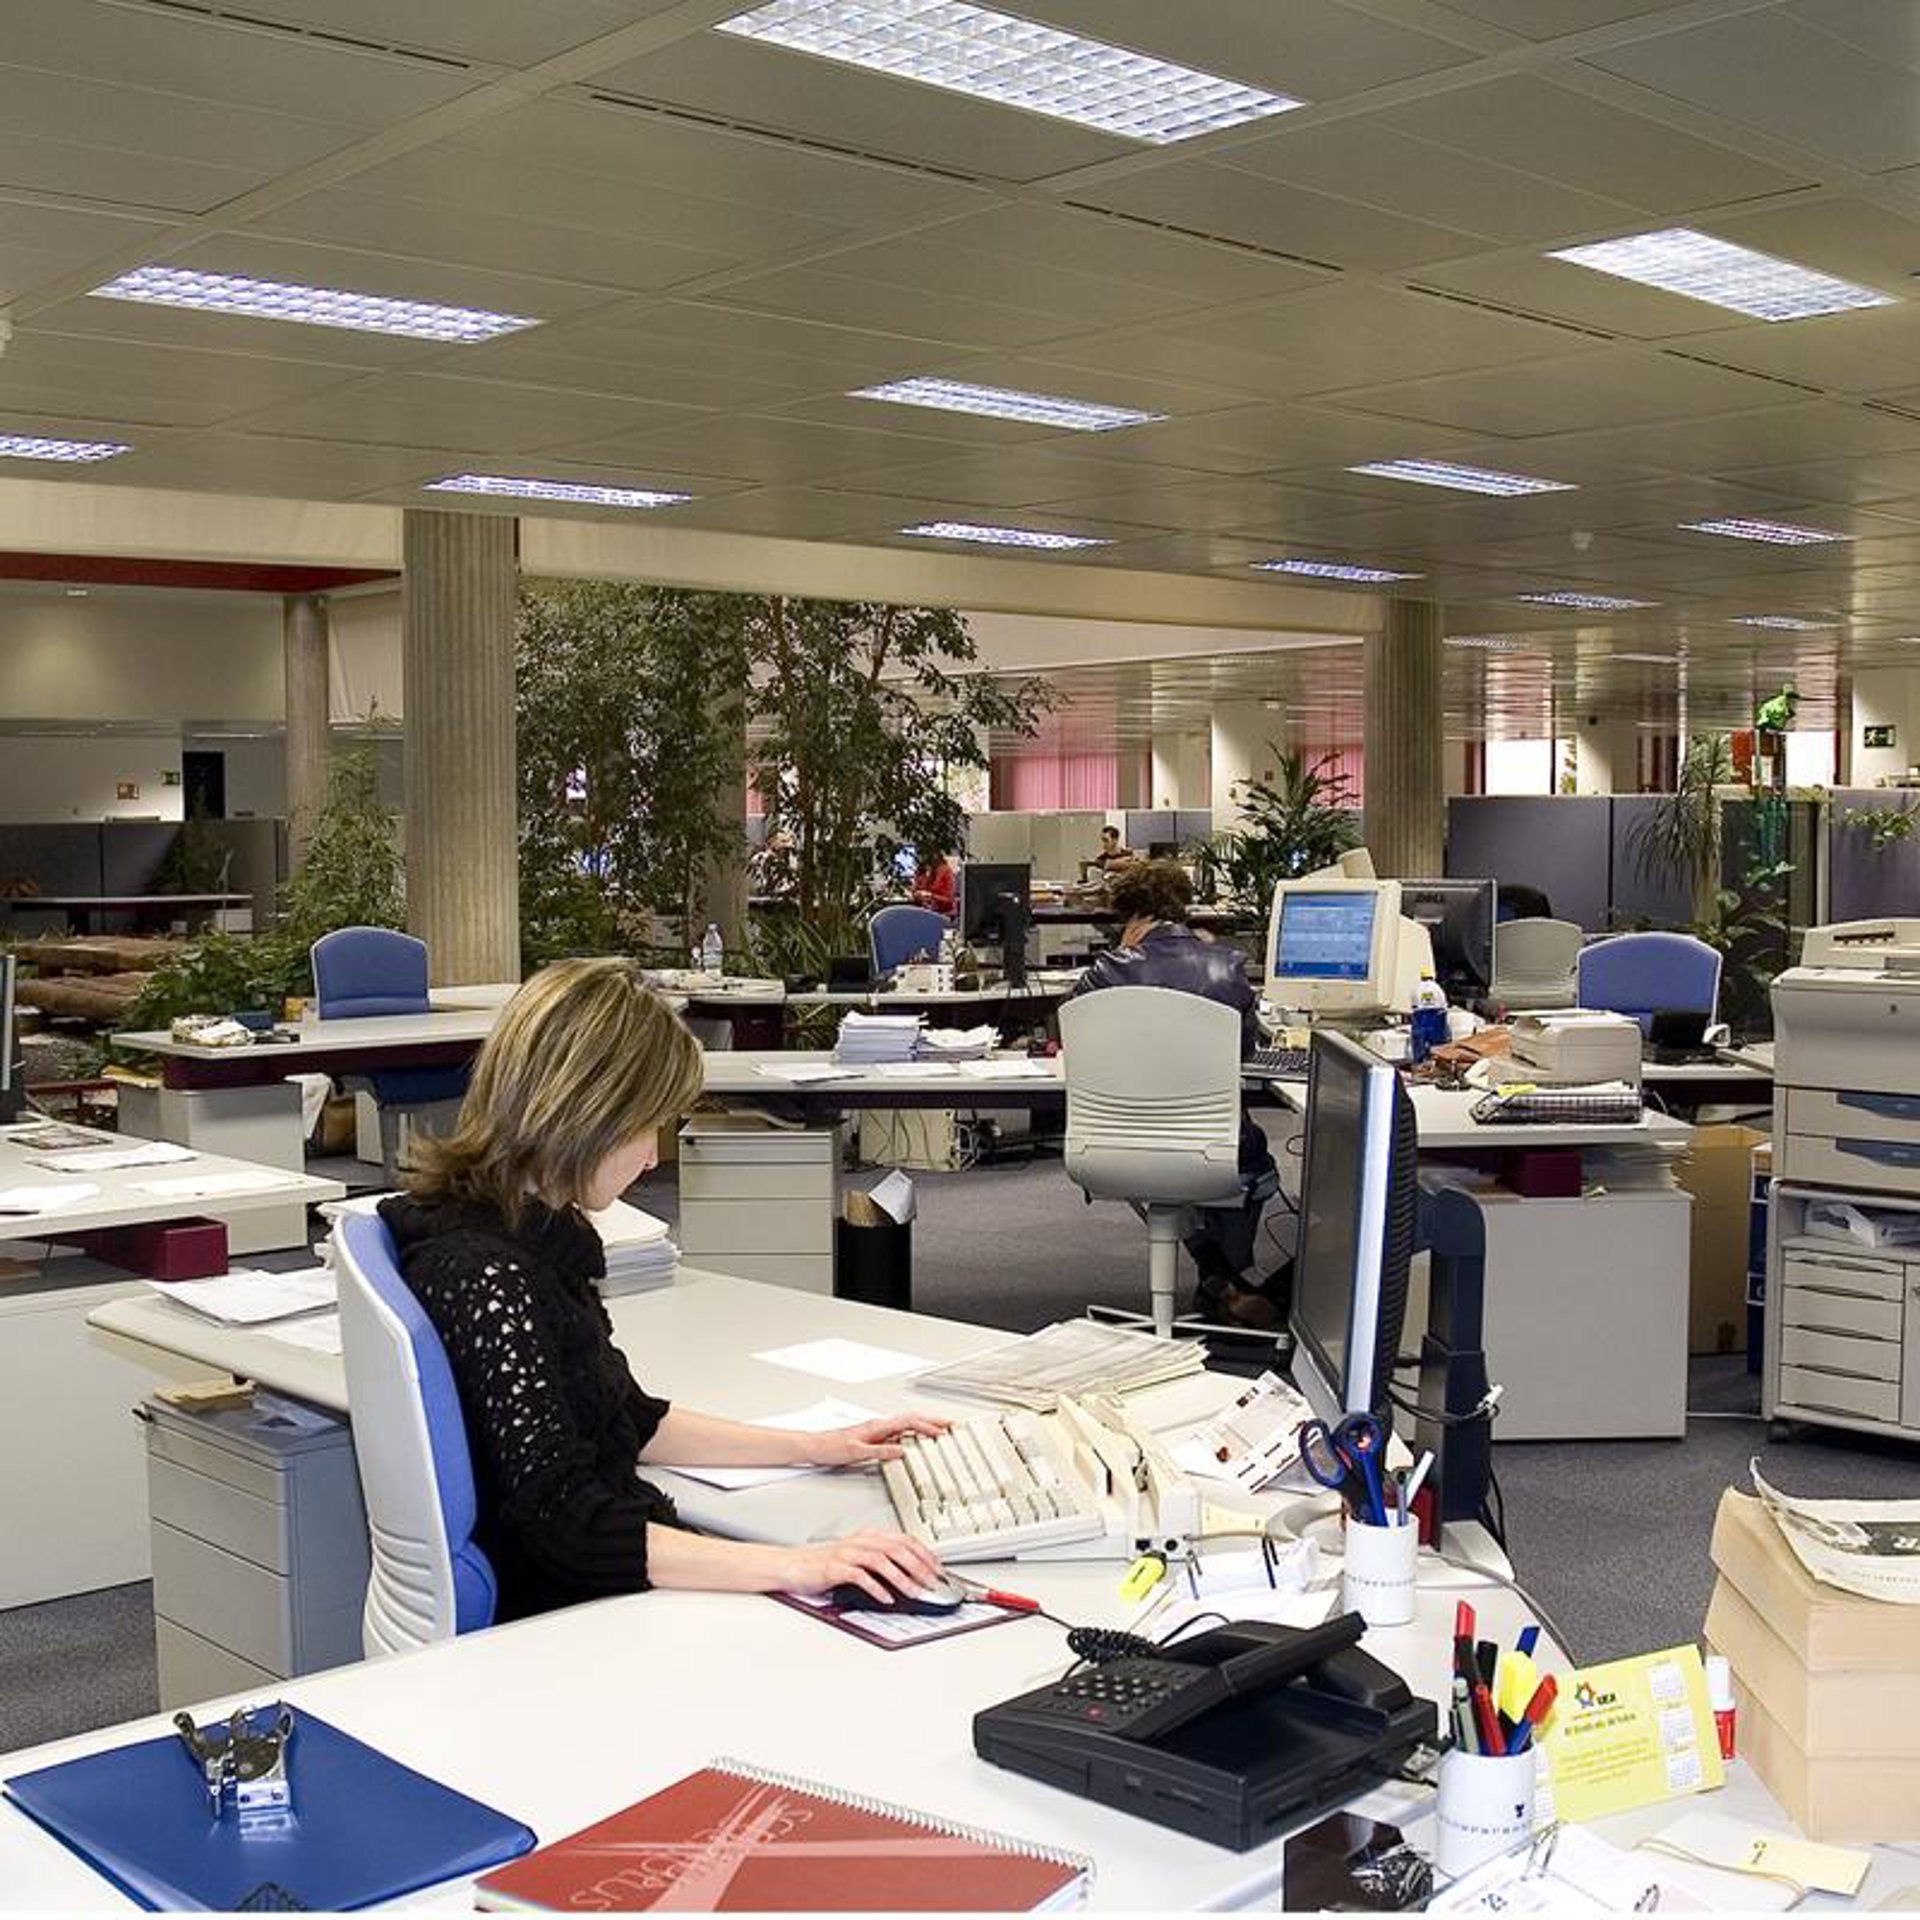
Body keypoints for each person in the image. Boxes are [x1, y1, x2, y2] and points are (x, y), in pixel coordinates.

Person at [381, 958, 947, 1623]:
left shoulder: (530, 1232)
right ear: (585, 1112)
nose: (653, 1157)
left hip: (604, 1581)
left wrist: (815, 1447)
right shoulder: (489, 1275)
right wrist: (797, 1565)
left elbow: (624, 1415)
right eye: (645, 1126)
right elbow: (568, 1524)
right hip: (571, 1616)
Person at [1069, 859, 1288, 1331]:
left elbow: (1074, 1039)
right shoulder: (1226, 966)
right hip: (1214, 1148)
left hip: (1115, 1147)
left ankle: (1217, 1273)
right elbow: (1245, 1051)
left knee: (1165, 1170)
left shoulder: (1107, 970)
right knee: (1248, 1157)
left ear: (1133, 917)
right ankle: (1227, 1275)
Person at [910, 848, 957, 916]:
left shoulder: (945, 872)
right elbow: (917, 889)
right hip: (926, 911)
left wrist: (931, 896)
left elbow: (949, 900)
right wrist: (916, 894)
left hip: (944, 913)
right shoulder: (921, 871)